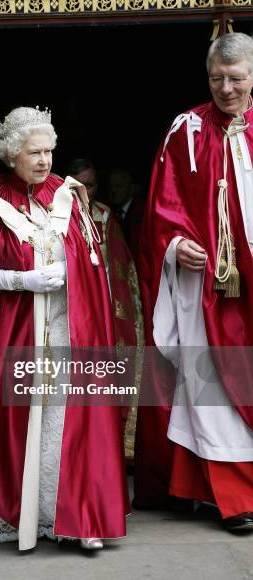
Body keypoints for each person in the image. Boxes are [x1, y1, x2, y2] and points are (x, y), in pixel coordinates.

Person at [0, 107, 130, 550]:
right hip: (9, 333)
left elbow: (93, 260)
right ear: (11, 154)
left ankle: (74, 514)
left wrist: (70, 270)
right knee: (19, 424)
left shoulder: (68, 195)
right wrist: (22, 281)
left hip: (66, 327)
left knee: (66, 425)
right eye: (34, 152)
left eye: (49, 151)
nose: (44, 161)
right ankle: (17, 510)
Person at [135, 32, 253, 531]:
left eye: (237, 78)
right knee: (215, 386)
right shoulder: (186, 130)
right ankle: (235, 497)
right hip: (210, 287)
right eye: (216, 79)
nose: (226, 88)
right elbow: (163, 206)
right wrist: (174, 245)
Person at [66, 158, 144, 460]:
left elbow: (122, 270)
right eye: (79, 183)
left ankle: (111, 446)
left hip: (103, 310)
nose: (86, 190)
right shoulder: (53, 214)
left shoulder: (104, 215)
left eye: (91, 184)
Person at [107, 168, 145, 268]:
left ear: (131, 188)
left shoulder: (142, 213)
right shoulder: (108, 212)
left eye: (119, 186)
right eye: (111, 187)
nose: (114, 191)